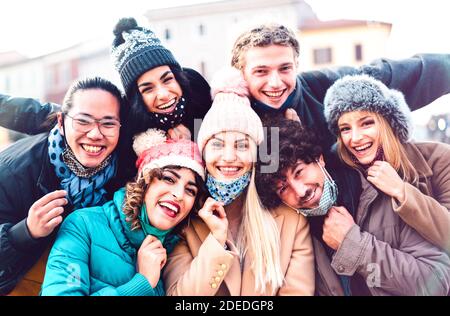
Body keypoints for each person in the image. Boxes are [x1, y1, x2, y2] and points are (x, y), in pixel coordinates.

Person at [255, 114, 450, 296]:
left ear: (319, 159)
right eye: (283, 188)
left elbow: (437, 283)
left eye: (299, 172)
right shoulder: (297, 234)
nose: (299, 191)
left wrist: (353, 245)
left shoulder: (383, 195)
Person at [163, 68, 315, 296]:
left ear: (256, 157)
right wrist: (216, 240)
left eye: (242, 145)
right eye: (217, 144)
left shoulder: (291, 221)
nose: (229, 157)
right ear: (203, 154)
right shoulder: (184, 222)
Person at [0, 17, 212, 178]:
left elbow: (225, 124)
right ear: (136, 98)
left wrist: (194, 135)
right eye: (147, 89)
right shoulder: (126, 121)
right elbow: (45, 115)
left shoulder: (197, 91)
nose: (163, 94)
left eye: (167, 79)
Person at [231, 23, 450, 151]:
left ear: (297, 65)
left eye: (285, 68)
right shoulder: (227, 114)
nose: (276, 82)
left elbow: (401, 75)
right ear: (241, 73)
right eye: (261, 71)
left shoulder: (327, 87)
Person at [41, 128, 206, 295]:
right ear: (145, 182)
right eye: (169, 179)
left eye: (190, 190)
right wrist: (143, 282)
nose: (178, 195)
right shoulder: (82, 225)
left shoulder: (174, 253)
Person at [0, 77, 126, 295]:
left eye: (108, 123)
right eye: (83, 121)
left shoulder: (124, 171)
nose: (95, 134)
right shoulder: (14, 171)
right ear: (61, 122)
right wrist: (26, 231)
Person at [324, 74, 450, 254]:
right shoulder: (341, 177)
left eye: (366, 123)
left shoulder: (441, 159)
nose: (355, 138)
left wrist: (402, 191)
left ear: (389, 123)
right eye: (345, 129)